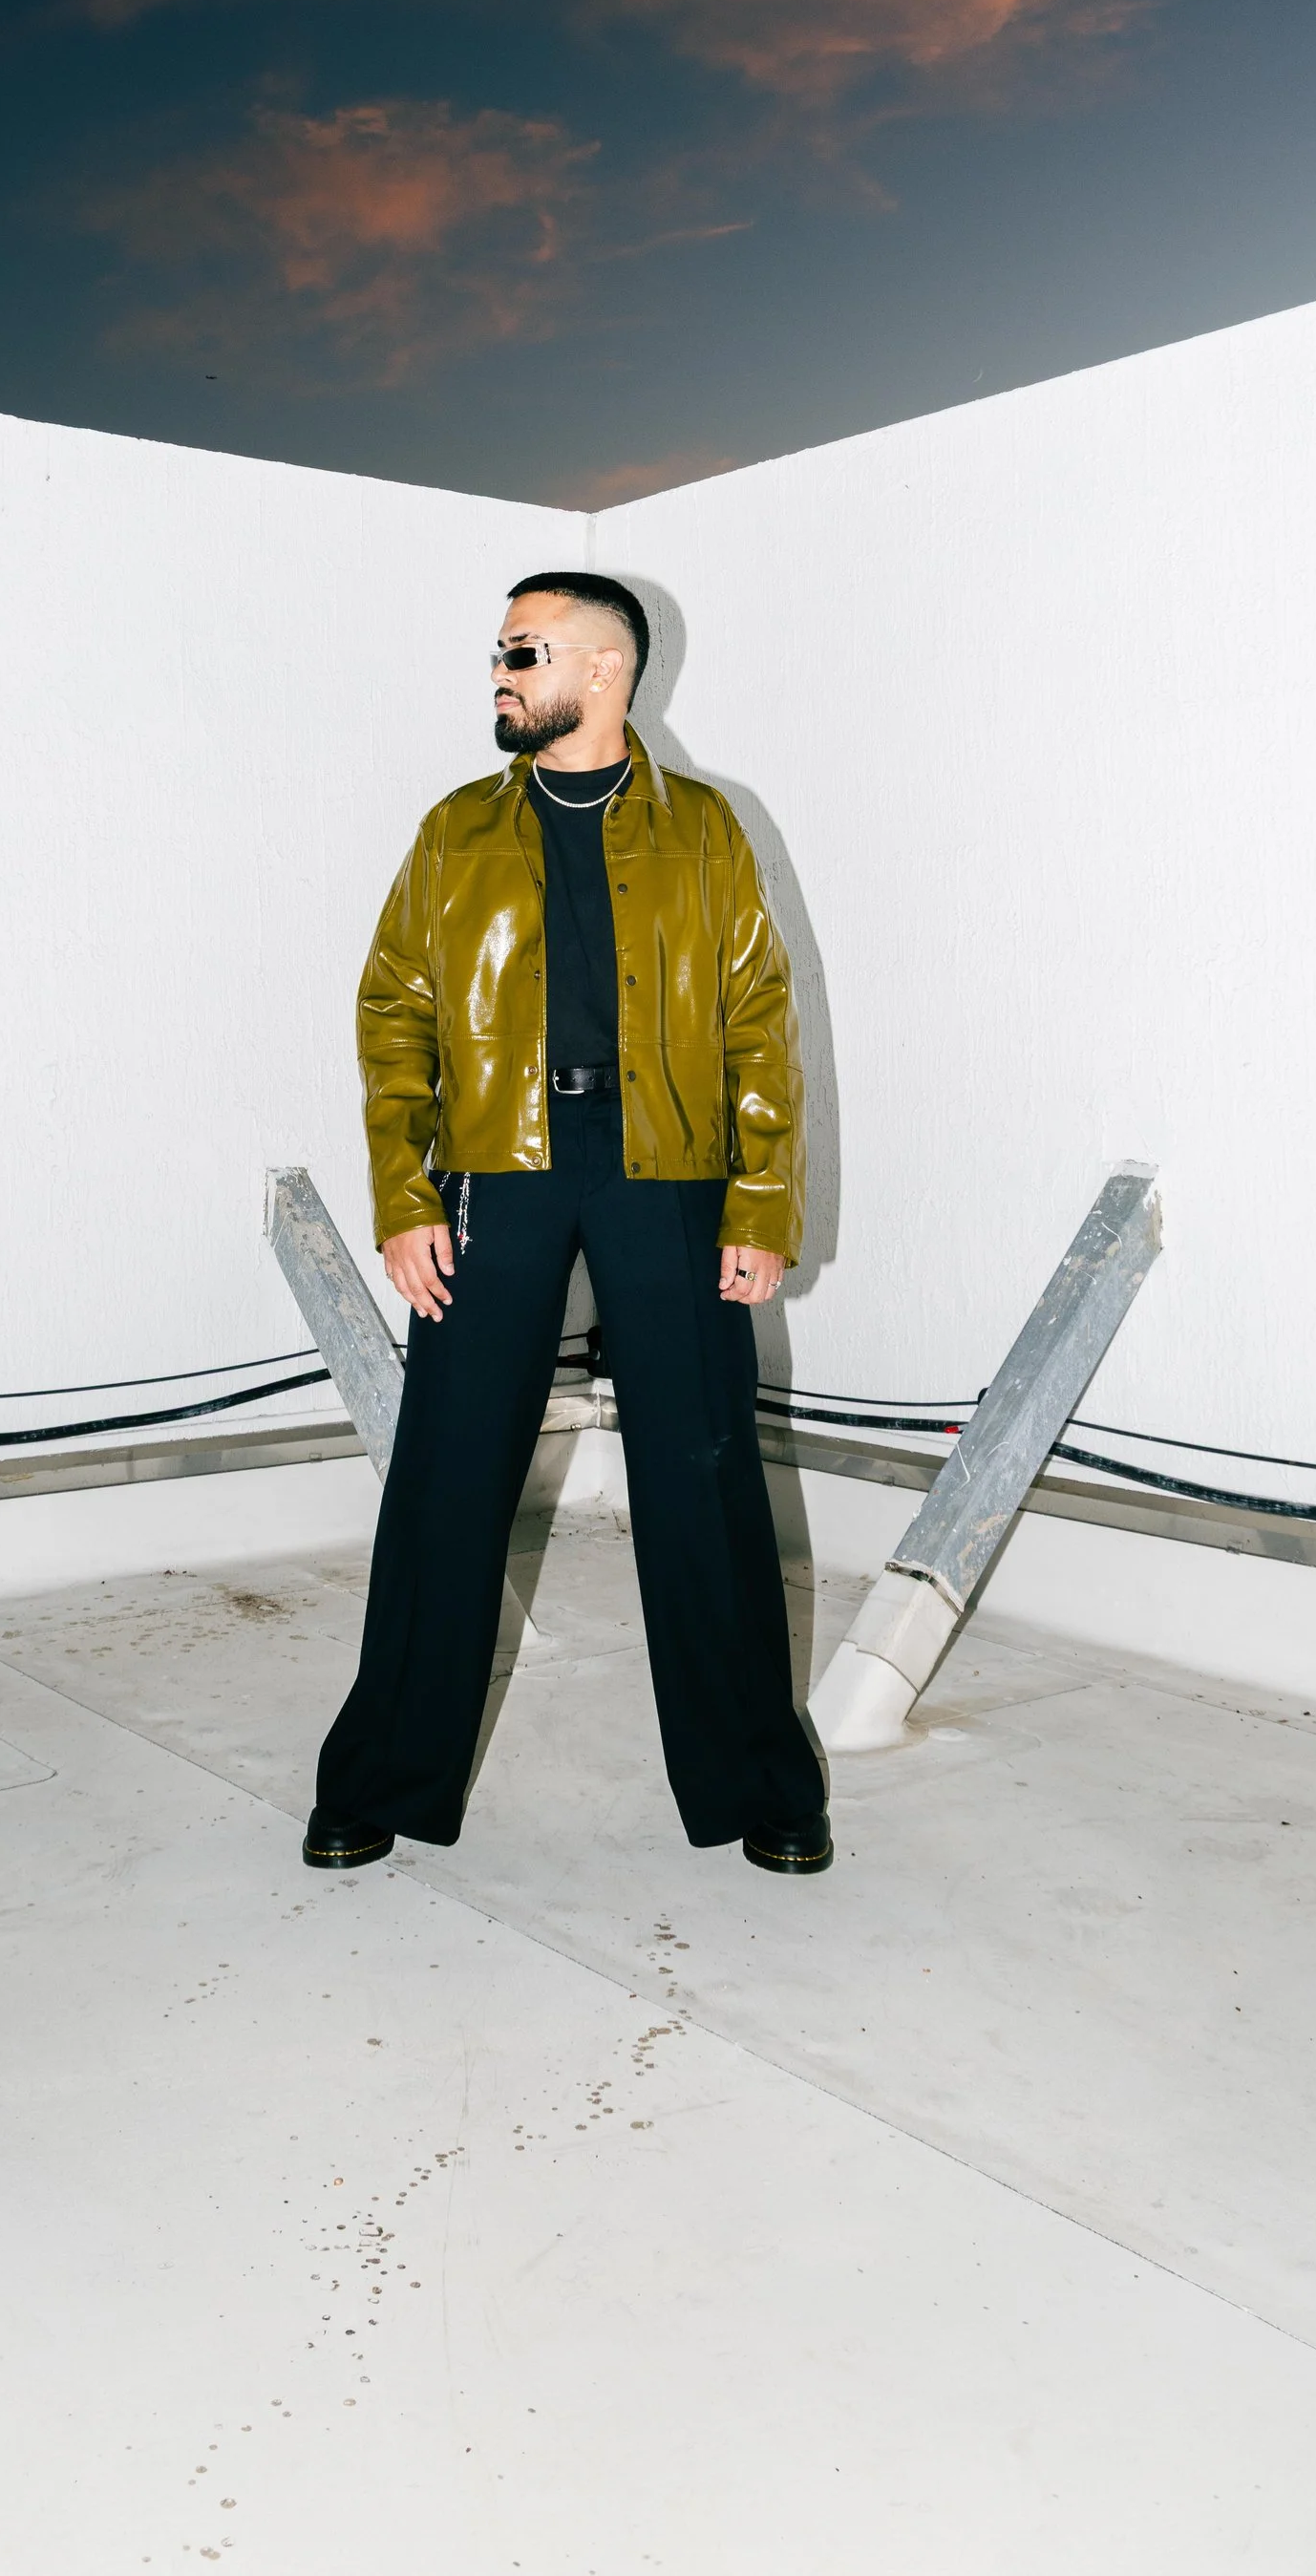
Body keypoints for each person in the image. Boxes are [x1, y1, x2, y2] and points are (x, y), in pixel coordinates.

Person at [306, 571, 832, 1875]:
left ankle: (765, 1783)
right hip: (504, 1170)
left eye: (520, 650)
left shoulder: (706, 829)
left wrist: (760, 1199)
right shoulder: (455, 834)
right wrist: (405, 1193)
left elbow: (761, 1023)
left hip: (671, 1172)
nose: (497, 670)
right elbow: (396, 1019)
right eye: (496, 649)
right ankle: (377, 1775)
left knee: (705, 1474)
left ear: (603, 669)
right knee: (446, 1470)